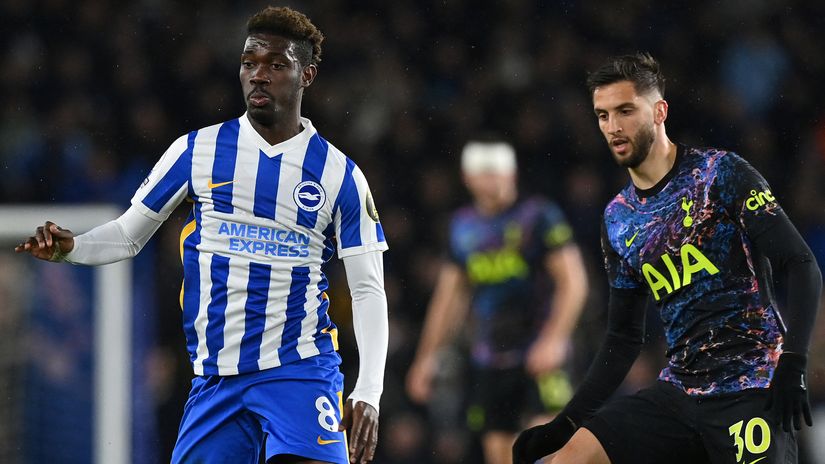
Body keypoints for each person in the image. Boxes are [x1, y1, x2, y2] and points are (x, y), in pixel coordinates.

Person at [15, 6, 389, 464]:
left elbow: (369, 287)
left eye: (276, 64)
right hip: (216, 378)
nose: (259, 75)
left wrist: (368, 389)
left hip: (300, 371)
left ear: (307, 75)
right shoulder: (196, 151)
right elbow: (129, 235)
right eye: (249, 63)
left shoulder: (339, 175)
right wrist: (72, 250)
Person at [513, 52, 822, 464]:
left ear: (659, 111)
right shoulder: (618, 219)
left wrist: (794, 362)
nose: (613, 127)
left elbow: (800, 263)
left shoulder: (720, 174)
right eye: (602, 115)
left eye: (625, 111)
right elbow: (623, 338)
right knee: (569, 459)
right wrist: (565, 423)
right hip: (677, 393)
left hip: (749, 387)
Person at [407, 139, 589, 464]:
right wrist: (426, 357)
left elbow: (573, 281)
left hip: (538, 350)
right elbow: (449, 298)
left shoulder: (537, 216)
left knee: (551, 448)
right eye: (484, 174)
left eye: (497, 173)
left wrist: (554, 339)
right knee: (499, 452)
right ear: (468, 178)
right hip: (490, 356)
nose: (492, 181)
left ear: (512, 174)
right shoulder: (462, 227)